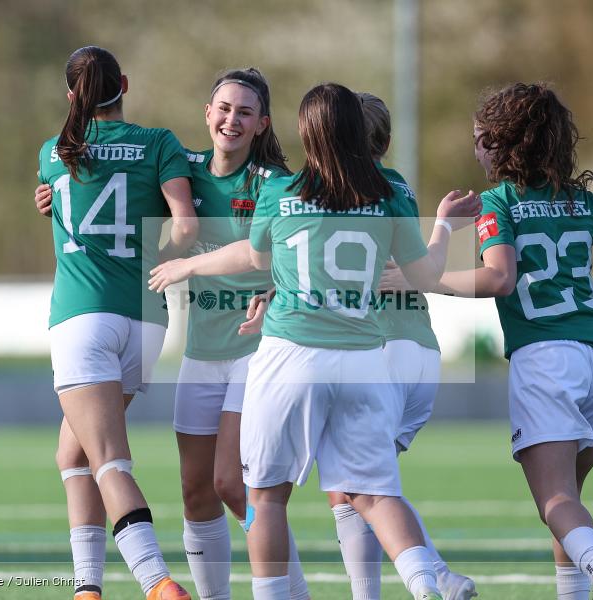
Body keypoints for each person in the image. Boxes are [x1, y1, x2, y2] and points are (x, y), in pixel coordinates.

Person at [149, 82, 481, 600]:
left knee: (266, 496)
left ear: (305, 132)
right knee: (374, 494)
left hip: (291, 358)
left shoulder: (280, 193)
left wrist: (188, 263)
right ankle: (424, 583)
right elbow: (427, 272)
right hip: (365, 362)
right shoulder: (387, 195)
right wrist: (441, 228)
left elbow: (255, 259)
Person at [38, 68, 310, 600]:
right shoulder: (179, 167)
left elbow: (293, 256)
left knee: (231, 482)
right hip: (204, 351)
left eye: (245, 113)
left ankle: (289, 586)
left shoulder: (274, 184)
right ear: (208, 114)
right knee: (195, 491)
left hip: (259, 351)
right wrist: (53, 194)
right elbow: (109, 189)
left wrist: (270, 293)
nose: (232, 120)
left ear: (262, 125)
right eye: (224, 109)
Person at [414, 83, 593, 600]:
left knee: (555, 502)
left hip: (546, 360)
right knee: (569, 505)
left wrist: (435, 281)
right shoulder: (583, 201)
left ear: (500, 143)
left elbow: (499, 280)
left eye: (478, 140)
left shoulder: (499, 202)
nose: (475, 150)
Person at [36, 46, 197, 600]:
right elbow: (185, 229)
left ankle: (157, 583)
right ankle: (87, 587)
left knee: (107, 458)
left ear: (70, 97)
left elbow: (66, 203)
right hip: (148, 317)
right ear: (123, 84)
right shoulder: (159, 143)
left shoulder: (53, 152)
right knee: (73, 452)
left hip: (83, 316)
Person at [319, 91, 476, 600]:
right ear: (386, 141)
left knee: (355, 488)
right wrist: (444, 227)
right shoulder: (399, 187)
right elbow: (423, 273)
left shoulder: (329, 191)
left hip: (377, 352)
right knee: (363, 484)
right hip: (419, 351)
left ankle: (429, 584)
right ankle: (441, 579)